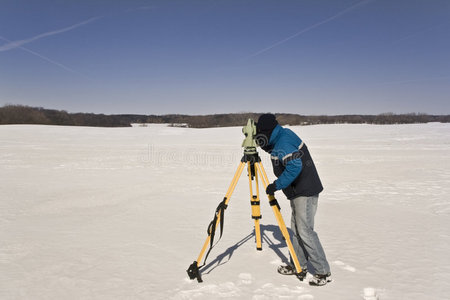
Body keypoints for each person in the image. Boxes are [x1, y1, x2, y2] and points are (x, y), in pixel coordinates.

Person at [256, 113, 331, 286]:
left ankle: (323, 271)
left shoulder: (283, 141)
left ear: (266, 131)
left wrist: (277, 185)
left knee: (305, 231)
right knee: (296, 230)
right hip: (298, 191)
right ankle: (298, 264)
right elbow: (276, 151)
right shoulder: (279, 137)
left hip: (305, 190)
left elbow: (294, 166)